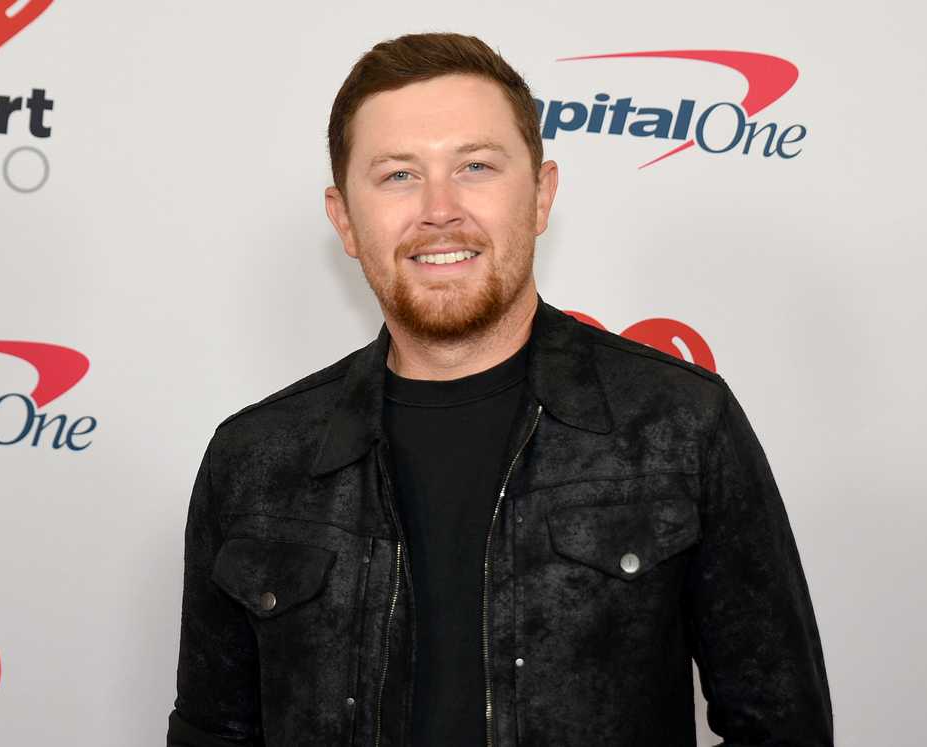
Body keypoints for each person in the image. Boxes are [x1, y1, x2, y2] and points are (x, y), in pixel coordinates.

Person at [166, 31, 833, 747]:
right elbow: (211, 733)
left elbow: (783, 727)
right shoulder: (256, 460)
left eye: (476, 166)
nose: (440, 208)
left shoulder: (679, 425)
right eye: (397, 175)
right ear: (345, 220)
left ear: (541, 195)